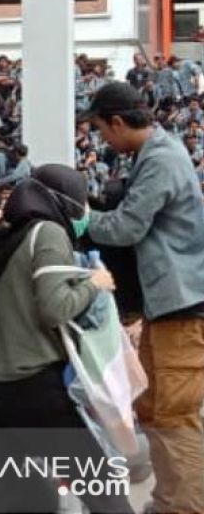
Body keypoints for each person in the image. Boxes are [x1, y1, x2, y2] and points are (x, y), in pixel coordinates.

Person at [0, 166, 130, 514]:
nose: (84, 212)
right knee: (103, 490)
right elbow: (55, 308)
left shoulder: (12, 237)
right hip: (31, 386)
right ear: (64, 201)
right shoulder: (48, 232)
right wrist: (96, 283)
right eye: (82, 202)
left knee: (8, 496)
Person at [84, 81, 204, 513]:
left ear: (117, 122)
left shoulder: (162, 160)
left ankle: (186, 505)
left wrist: (79, 220)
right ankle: (169, 496)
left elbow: (126, 228)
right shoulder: (153, 155)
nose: (103, 140)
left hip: (183, 305)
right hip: (165, 305)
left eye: (101, 130)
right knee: (153, 406)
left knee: (175, 413)